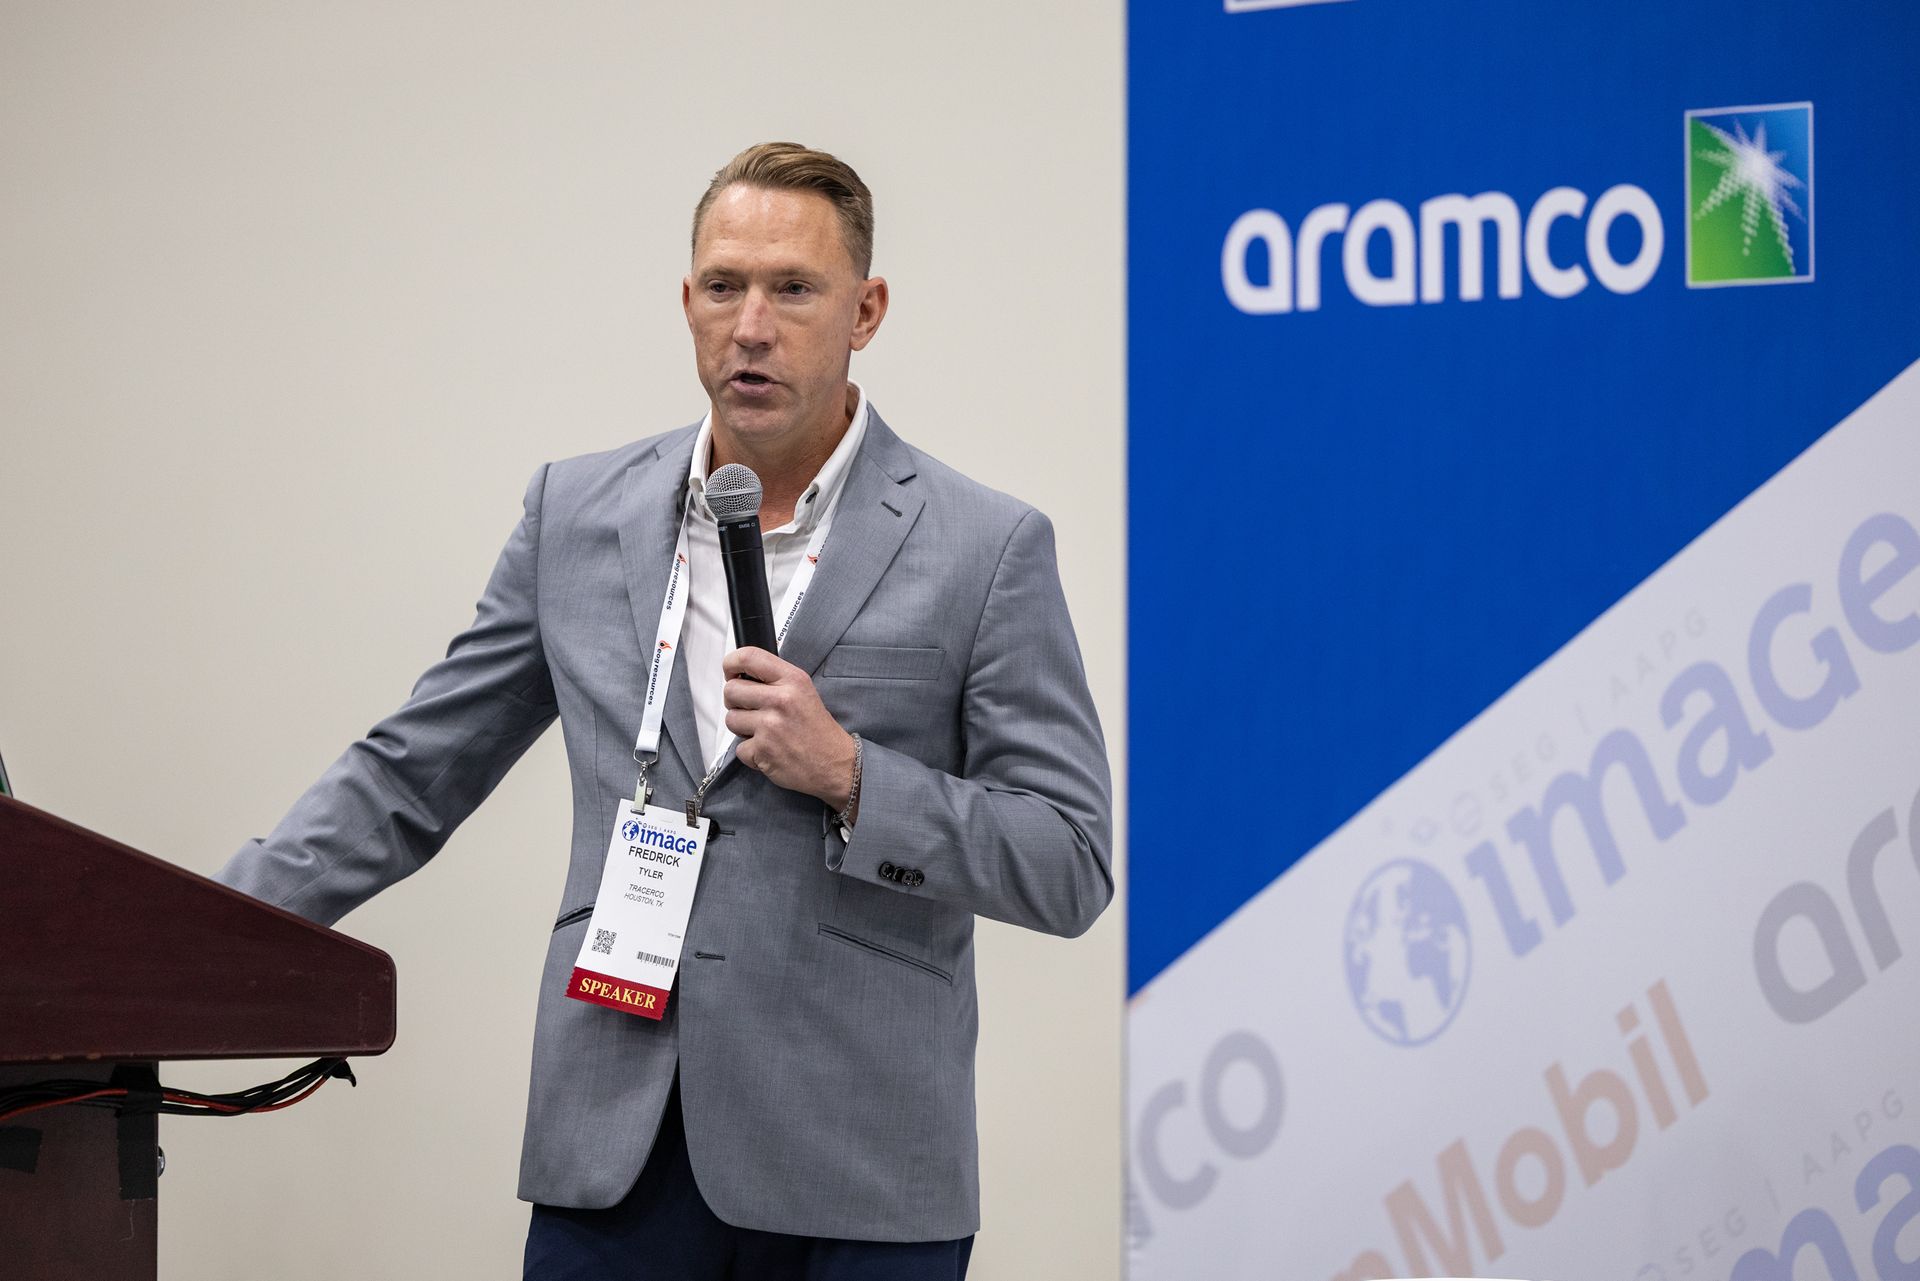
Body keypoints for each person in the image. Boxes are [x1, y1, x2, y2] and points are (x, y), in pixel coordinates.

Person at [217, 141, 1113, 1281]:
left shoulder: (986, 546)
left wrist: (853, 777)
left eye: (794, 289)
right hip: (616, 1153)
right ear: (687, 301)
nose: (752, 326)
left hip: (862, 1168)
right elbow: (411, 772)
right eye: (724, 286)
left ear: (866, 310)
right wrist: (197, 934)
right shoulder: (575, 514)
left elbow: (1070, 858)